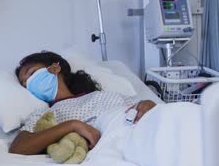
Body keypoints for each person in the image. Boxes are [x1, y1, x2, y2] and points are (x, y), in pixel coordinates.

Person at [9, 51, 157, 155]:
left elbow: (142, 111)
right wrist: (72, 125)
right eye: (24, 84)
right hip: (115, 148)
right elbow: (18, 148)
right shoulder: (44, 115)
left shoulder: (107, 95)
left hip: (142, 135)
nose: (29, 83)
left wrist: (149, 105)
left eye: (31, 73)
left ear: (54, 68)